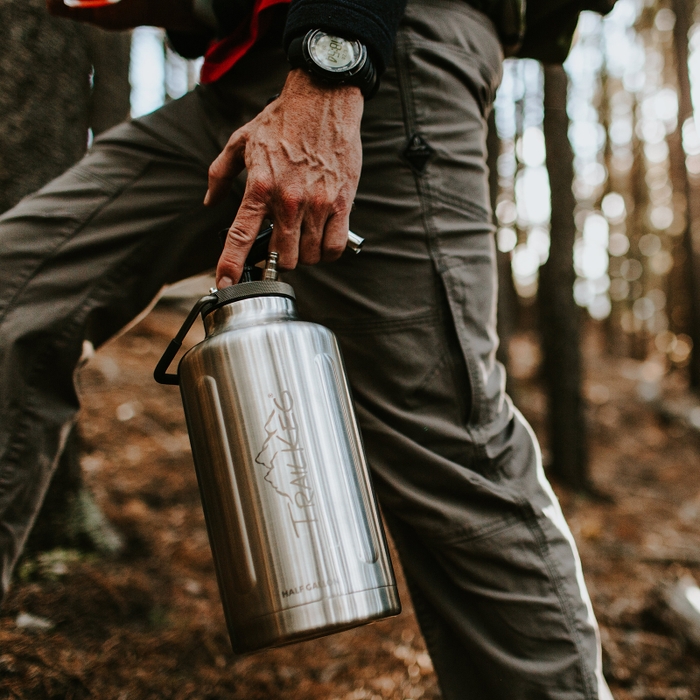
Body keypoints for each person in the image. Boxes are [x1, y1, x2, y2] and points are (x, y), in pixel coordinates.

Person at [0, 0, 615, 697]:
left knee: (444, 448)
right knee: (15, 300)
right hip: (249, 69)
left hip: (381, 48)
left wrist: (335, 58)